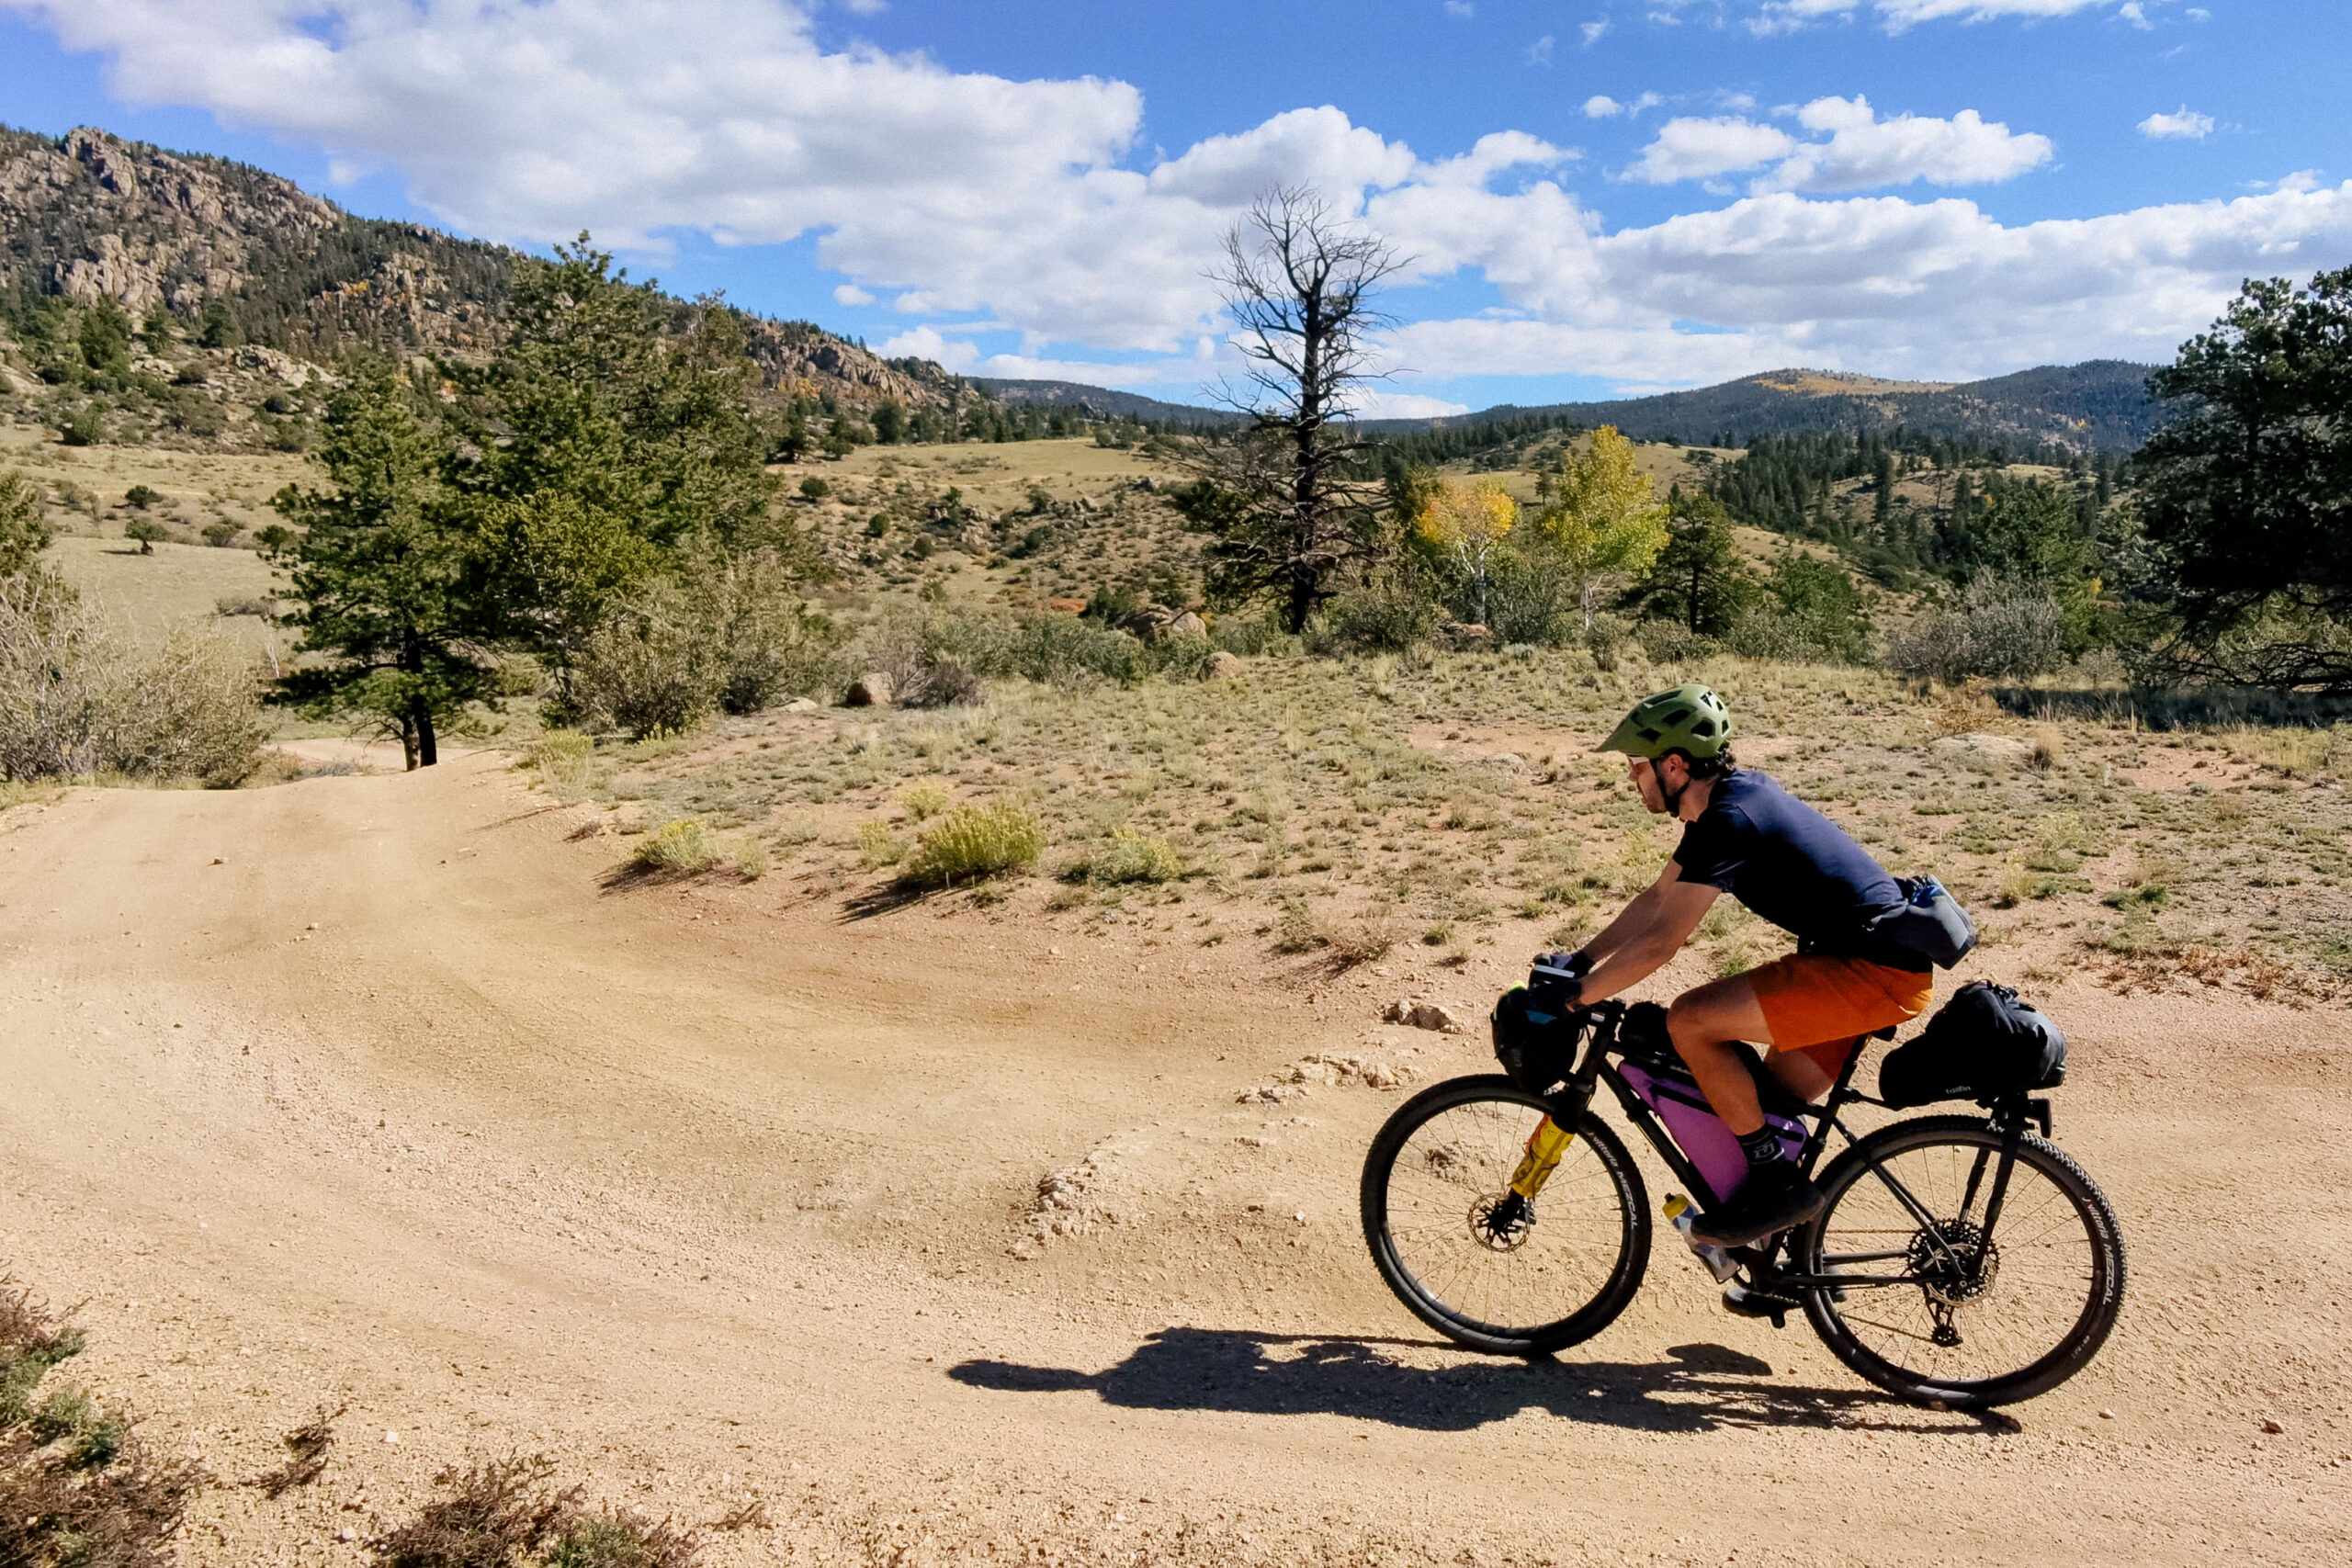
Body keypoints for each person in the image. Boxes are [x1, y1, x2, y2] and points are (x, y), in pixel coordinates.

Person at [1548, 683, 1933, 1254]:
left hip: (1871, 973)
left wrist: (1578, 997)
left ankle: (1777, 1190)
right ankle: (1795, 1267)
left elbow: (1661, 944)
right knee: (1765, 1108)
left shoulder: (1732, 818)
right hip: (1861, 964)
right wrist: (1581, 962)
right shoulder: (1725, 806)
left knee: (1690, 1020)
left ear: (1673, 765)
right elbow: (1658, 899)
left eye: (1636, 764)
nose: (1631, 777)